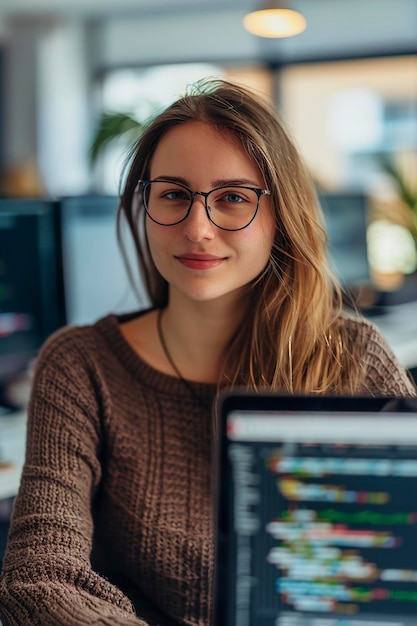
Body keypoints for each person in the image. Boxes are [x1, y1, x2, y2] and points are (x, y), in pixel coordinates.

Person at [0, 79, 415, 626]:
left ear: (279, 216)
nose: (198, 228)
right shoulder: (82, 366)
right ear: (143, 205)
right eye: (173, 194)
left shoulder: (351, 358)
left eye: (233, 198)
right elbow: (39, 574)